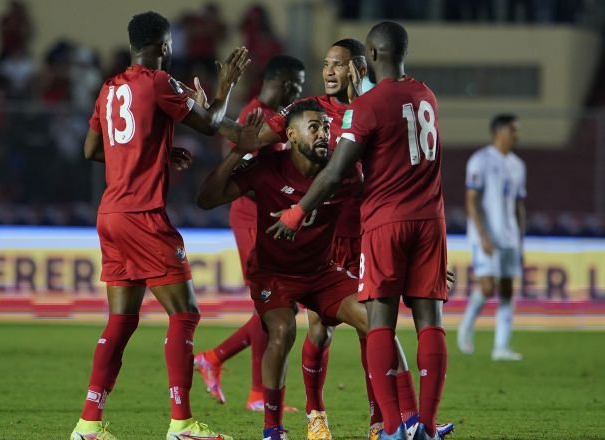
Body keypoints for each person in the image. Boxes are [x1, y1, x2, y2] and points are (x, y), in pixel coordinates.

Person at [217, 38, 453, 440]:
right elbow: (248, 139)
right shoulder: (308, 112)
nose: (328, 71)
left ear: (358, 67)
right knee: (321, 332)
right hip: (329, 238)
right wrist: (215, 106)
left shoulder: (373, 106)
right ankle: (316, 412)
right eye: (325, 63)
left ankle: (389, 422)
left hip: (372, 231)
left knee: (375, 330)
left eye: (337, 65)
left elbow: (409, 170)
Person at [69, 11, 249, 440]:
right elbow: (209, 124)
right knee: (185, 314)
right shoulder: (159, 82)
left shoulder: (110, 89)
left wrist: (155, 154)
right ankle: (182, 424)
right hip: (142, 215)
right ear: (165, 46)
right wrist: (224, 90)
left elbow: (92, 148)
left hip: (110, 213)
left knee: (121, 320)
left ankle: (88, 425)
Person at [199, 101, 413, 440]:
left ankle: (406, 420)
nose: (323, 134)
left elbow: (383, 207)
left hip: (320, 272)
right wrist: (239, 152)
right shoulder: (269, 167)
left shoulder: (343, 173)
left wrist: (417, 257)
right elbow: (207, 198)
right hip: (273, 274)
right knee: (283, 331)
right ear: (292, 134)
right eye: (314, 127)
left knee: (377, 322)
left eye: (326, 128)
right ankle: (273, 429)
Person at [193, 54, 305, 412]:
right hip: (252, 217)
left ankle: (216, 359)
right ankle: (255, 391)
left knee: (280, 304)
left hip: (267, 216)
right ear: (287, 83)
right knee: (273, 304)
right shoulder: (253, 115)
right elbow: (246, 174)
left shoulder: (272, 117)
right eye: (298, 86)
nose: (298, 92)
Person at [458, 114, 526, 361]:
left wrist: (521, 238)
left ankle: (501, 347)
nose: (517, 135)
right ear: (499, 132)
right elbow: (471, 201)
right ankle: (465, 328)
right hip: (485, 234)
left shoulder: (518, 165)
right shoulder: (480, 160)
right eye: (513, 130)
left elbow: (519, 205)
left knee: (507, 290)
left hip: (509, 236)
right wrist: (483, 234)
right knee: (487, 286)